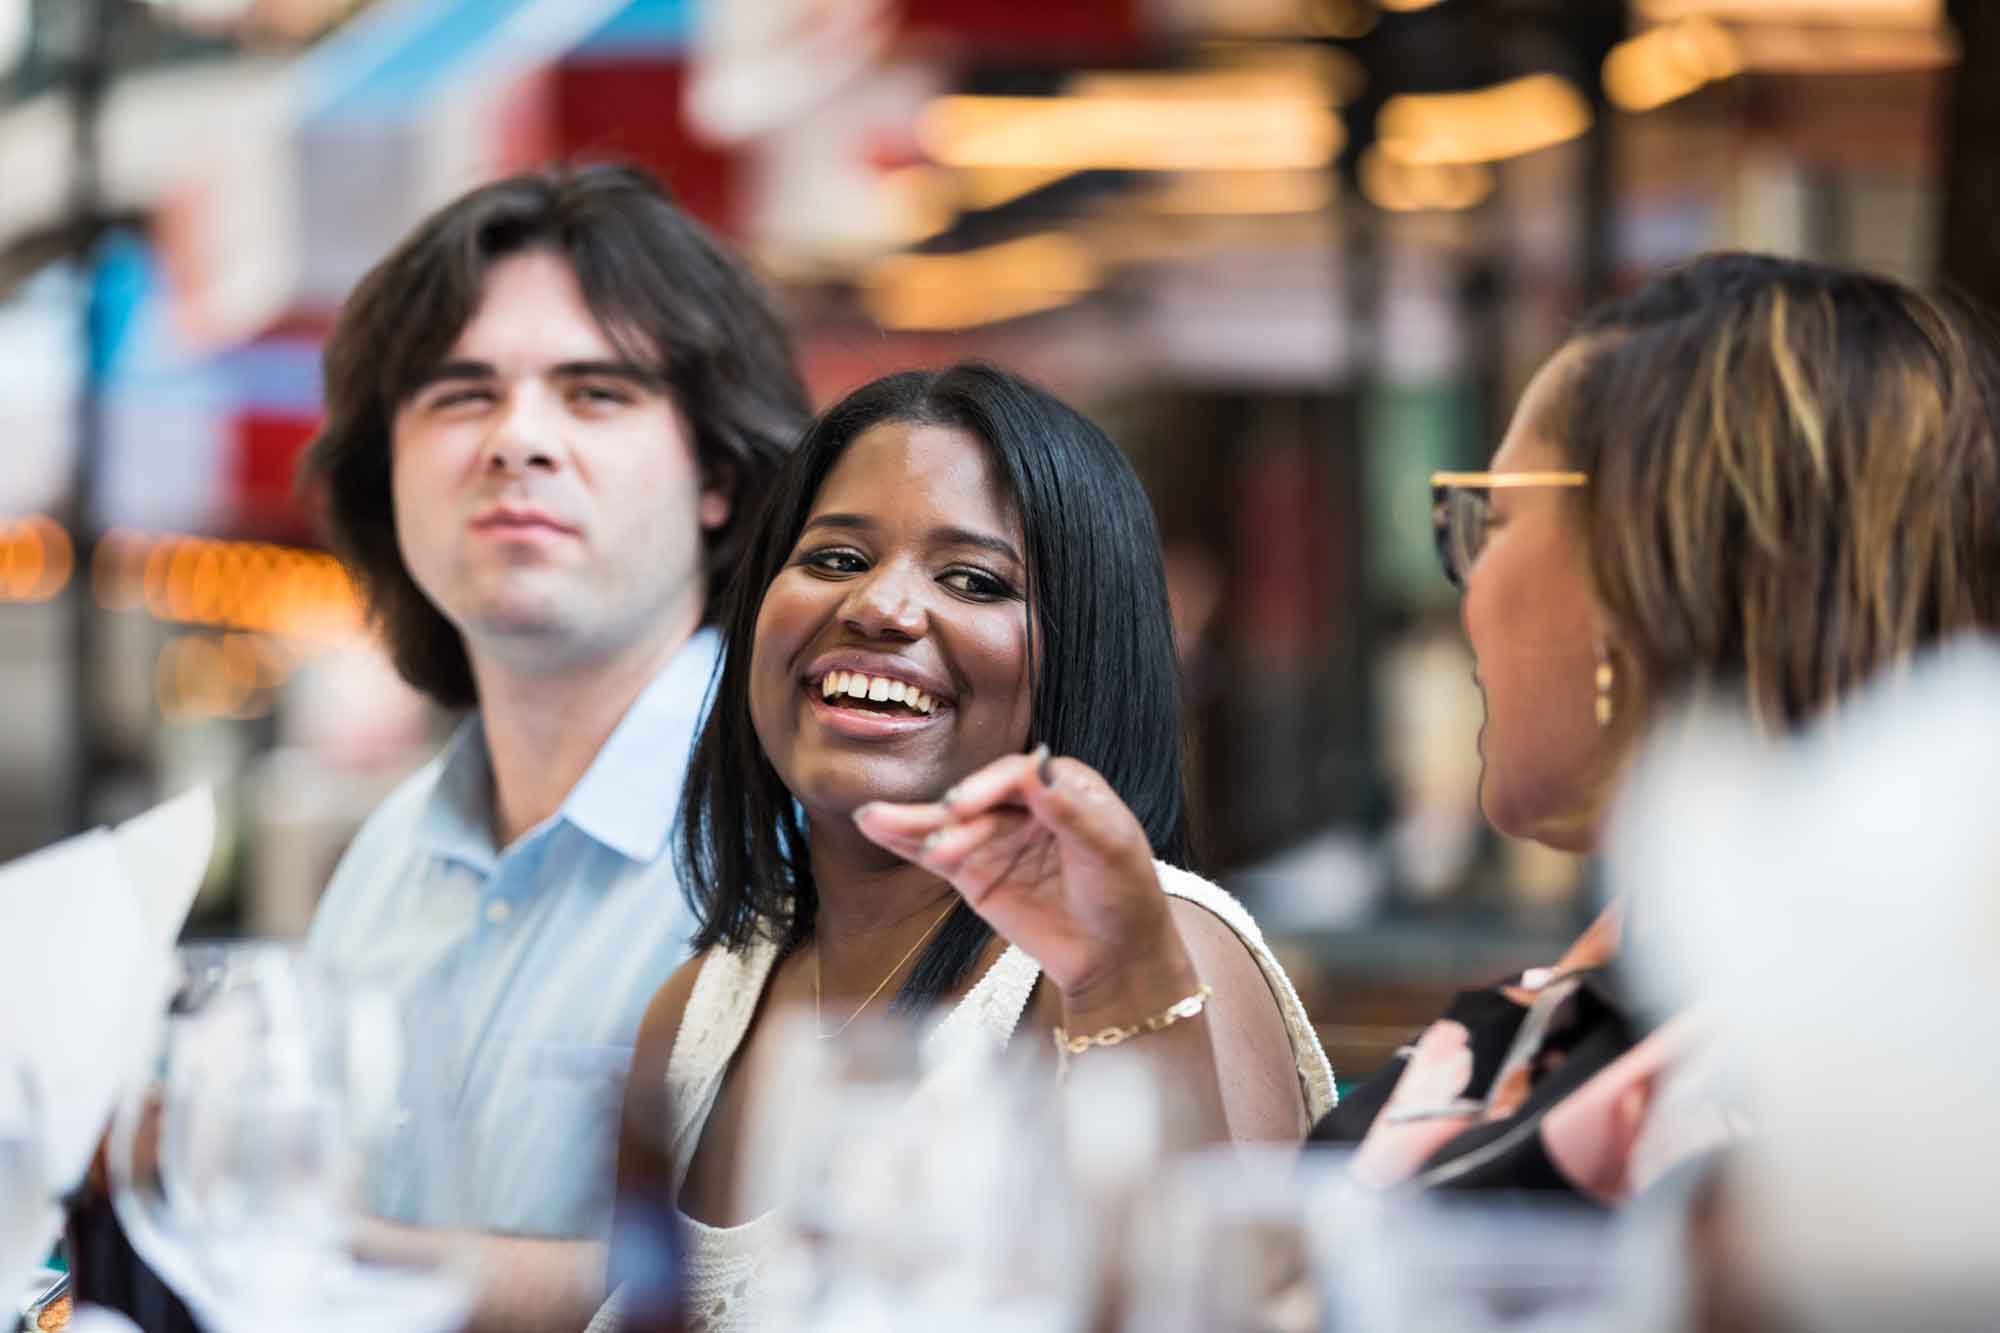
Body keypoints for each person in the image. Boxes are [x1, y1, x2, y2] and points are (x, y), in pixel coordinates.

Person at [858, 253, 2000, 1200]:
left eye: (1490, 519)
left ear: (1641, 565)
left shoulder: (1794, 1084)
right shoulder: (1615, 1005)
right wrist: (1120, 976)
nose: (1466, 586)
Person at [607, 363, 1336, 1332]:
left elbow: (1217, 1315)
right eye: (832, 558)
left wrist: (1122, 974)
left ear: (1081, 657)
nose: (880, 608)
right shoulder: (695, 1011)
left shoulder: (1159, 946)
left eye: (973, 580)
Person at [298, 163, 809, 1332]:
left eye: (595, 392)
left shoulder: (804, 835)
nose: (517, 439)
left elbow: (792, 1286)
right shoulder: (386, 850)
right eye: (460, 395)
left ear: (717, 479)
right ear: (387, 474)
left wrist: (323, 1253)